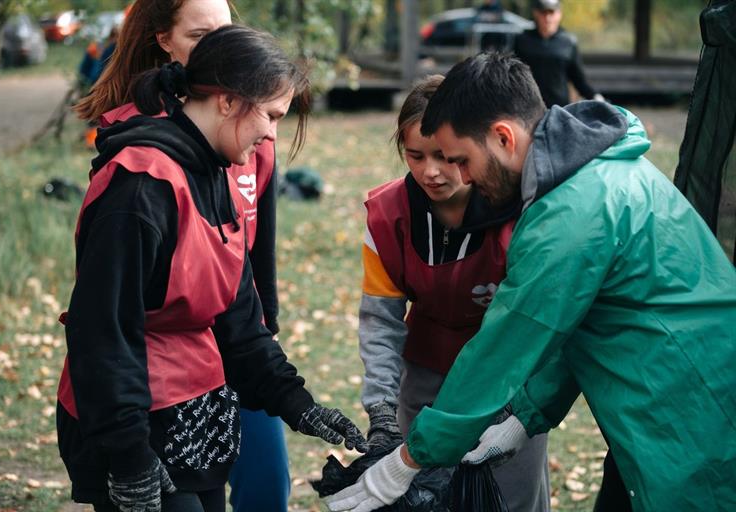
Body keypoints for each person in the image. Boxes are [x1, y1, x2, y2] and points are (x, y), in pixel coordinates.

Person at [326, 52, 736, 512]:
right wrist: (526, 415)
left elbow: (503, 348)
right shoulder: (593, 173)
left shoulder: (568, 214)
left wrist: (408, 460)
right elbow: (581, 327)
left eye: (461, 159)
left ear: (503, 137)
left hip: (691, 415)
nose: (458, 177)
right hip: (667, 405)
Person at [56, 25, 368, 512]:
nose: (271, 134)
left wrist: (299, 406)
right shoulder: (141, 187)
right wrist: (130, 457)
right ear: (226, 101)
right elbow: (103, 333)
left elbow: (240, 318)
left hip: (194, 410)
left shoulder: (212, 171)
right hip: (137, 422)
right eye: (269, 115)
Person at [73, 2, 291, 510]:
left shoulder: (238, 138)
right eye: (200, 33)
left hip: (232, 344)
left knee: (265, 485)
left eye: (225, 31)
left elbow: (254, 250)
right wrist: (127, 450)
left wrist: (271, 356)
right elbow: (108, 316)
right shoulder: (145, 166)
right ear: (164, 40)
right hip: (149, 373)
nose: (217, 43)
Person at [358, 75, 549, 511]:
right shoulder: (387, 216)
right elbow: (380, 321)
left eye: (445, 157)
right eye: (415, 155)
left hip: (509, 385)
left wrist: (523, 410)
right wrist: (382, 410)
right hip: (424, 379)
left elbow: (542, 326)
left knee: (510, 500)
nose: (430, 171)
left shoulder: (519, 213)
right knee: (425, 497)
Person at [513, 0, 604, 107]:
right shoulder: (522, 40)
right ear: (535, 13)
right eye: (543, 13)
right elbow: (512, 75)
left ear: (559, 14)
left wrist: (596, 97)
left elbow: (578, 79)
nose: (547, 18)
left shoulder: (568, 42)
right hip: (528, 107)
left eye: (551, 13)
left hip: (559, 108)